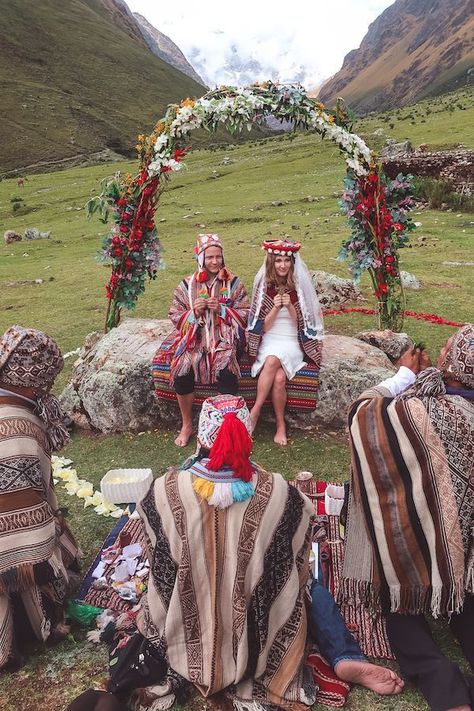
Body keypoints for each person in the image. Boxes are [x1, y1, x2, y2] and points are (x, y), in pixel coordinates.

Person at [132, 395, 402, 710]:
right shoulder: (282, 495)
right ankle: (344, 656)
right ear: (246, 439)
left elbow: (158, 562)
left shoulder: (163, 492)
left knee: (163, 584)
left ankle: (195, 648)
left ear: (201, 440)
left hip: (186, 618)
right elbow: (296, 563)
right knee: (310, 587)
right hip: (259, 627)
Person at [342, 325, 474, 711]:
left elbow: (362, 416)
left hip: (420, 545)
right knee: (464, 605)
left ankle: (443, 687)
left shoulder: (424, 411)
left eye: (449, 346)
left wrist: (402, 375)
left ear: (456, 364)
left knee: (397, 595)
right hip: (464, 554)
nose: (441, 347)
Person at [0, 325, 81, 670]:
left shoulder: (16, 406)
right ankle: (30, 619)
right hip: (9, 553)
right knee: (46, 558)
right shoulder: (16, 428)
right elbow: (25, 524)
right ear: (32, 381)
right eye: (45, 381)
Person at [164, 233, 249, 447]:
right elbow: (175, 315)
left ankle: (223, 426)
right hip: (196, 339)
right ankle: (187, 425)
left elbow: (246, 314)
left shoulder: (234, 283)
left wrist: (222, 310)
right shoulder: (186, 285)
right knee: (182, 371)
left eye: (218, 256)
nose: (215, 261)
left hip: (225, 339)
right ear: (201, 258)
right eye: (210, 257)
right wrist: (194, 312)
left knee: (226, 371)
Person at [248, 239, 323, 445]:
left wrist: (289, 307)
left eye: (286, 261)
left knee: (273, 361)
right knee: (279, 378)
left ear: (292, 263)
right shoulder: (264, 286)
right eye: (278, 260)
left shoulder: (298, 286)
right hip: (271, 337)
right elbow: (262, 326)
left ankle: (254, 413)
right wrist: (274, 308)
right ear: (272, 262)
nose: (282, 265)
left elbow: (301, 323)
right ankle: (280, 424)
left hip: (291, 339)